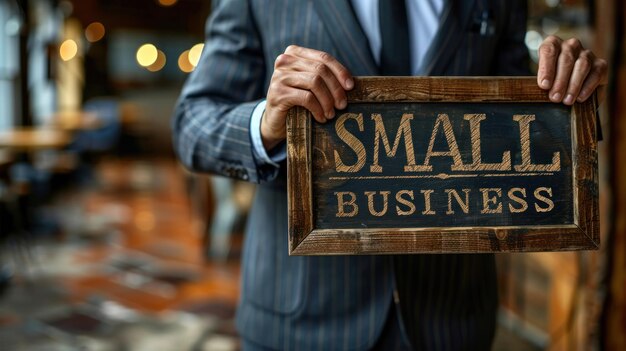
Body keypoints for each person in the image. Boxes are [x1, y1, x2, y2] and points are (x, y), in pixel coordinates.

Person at [172, 0, 607, 349]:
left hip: (451, 316)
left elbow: (513, 128)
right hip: (300, 317)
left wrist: (568, 98)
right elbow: (192, 125)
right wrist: (267, 123)